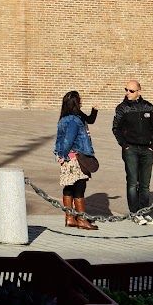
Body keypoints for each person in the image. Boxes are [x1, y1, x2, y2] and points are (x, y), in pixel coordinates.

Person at [113, 78, 153, 224]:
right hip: (131, 150)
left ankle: (144, 212)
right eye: (126, 90)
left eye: (131, 91)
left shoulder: (148, 107)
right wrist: (124, 145)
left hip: (147, 150)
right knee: (133, 182)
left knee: (145, 184)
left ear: (139, 92)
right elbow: (116, 128)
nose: (128, 93)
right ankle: (135, 213)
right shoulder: (122, 108)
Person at [55, 89, 98, 231]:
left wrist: (60, 155)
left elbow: (61, 140)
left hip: (66, 159)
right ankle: (81, 219)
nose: (81, 101)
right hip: (75, 159)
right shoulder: (74, 120)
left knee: (68, 187)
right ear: (75, 102)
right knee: (80, 188)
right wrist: (65, 154)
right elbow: (68, 140)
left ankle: (69, 218)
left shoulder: (63, 119)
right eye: (79, 99)